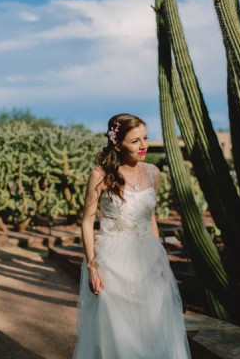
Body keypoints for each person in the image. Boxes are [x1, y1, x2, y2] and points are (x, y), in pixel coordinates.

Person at [73, 113, 191, 358]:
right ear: (117, 144)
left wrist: (160, 258)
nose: (144, 145)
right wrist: (93, 266)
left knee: (152, 326)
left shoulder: (153, 172)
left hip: (148, 256)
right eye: (135, 141)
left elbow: (151, 218)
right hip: (112, 260)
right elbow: (87, 222)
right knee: (116, 333)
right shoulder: (100, 175)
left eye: (145, 138)